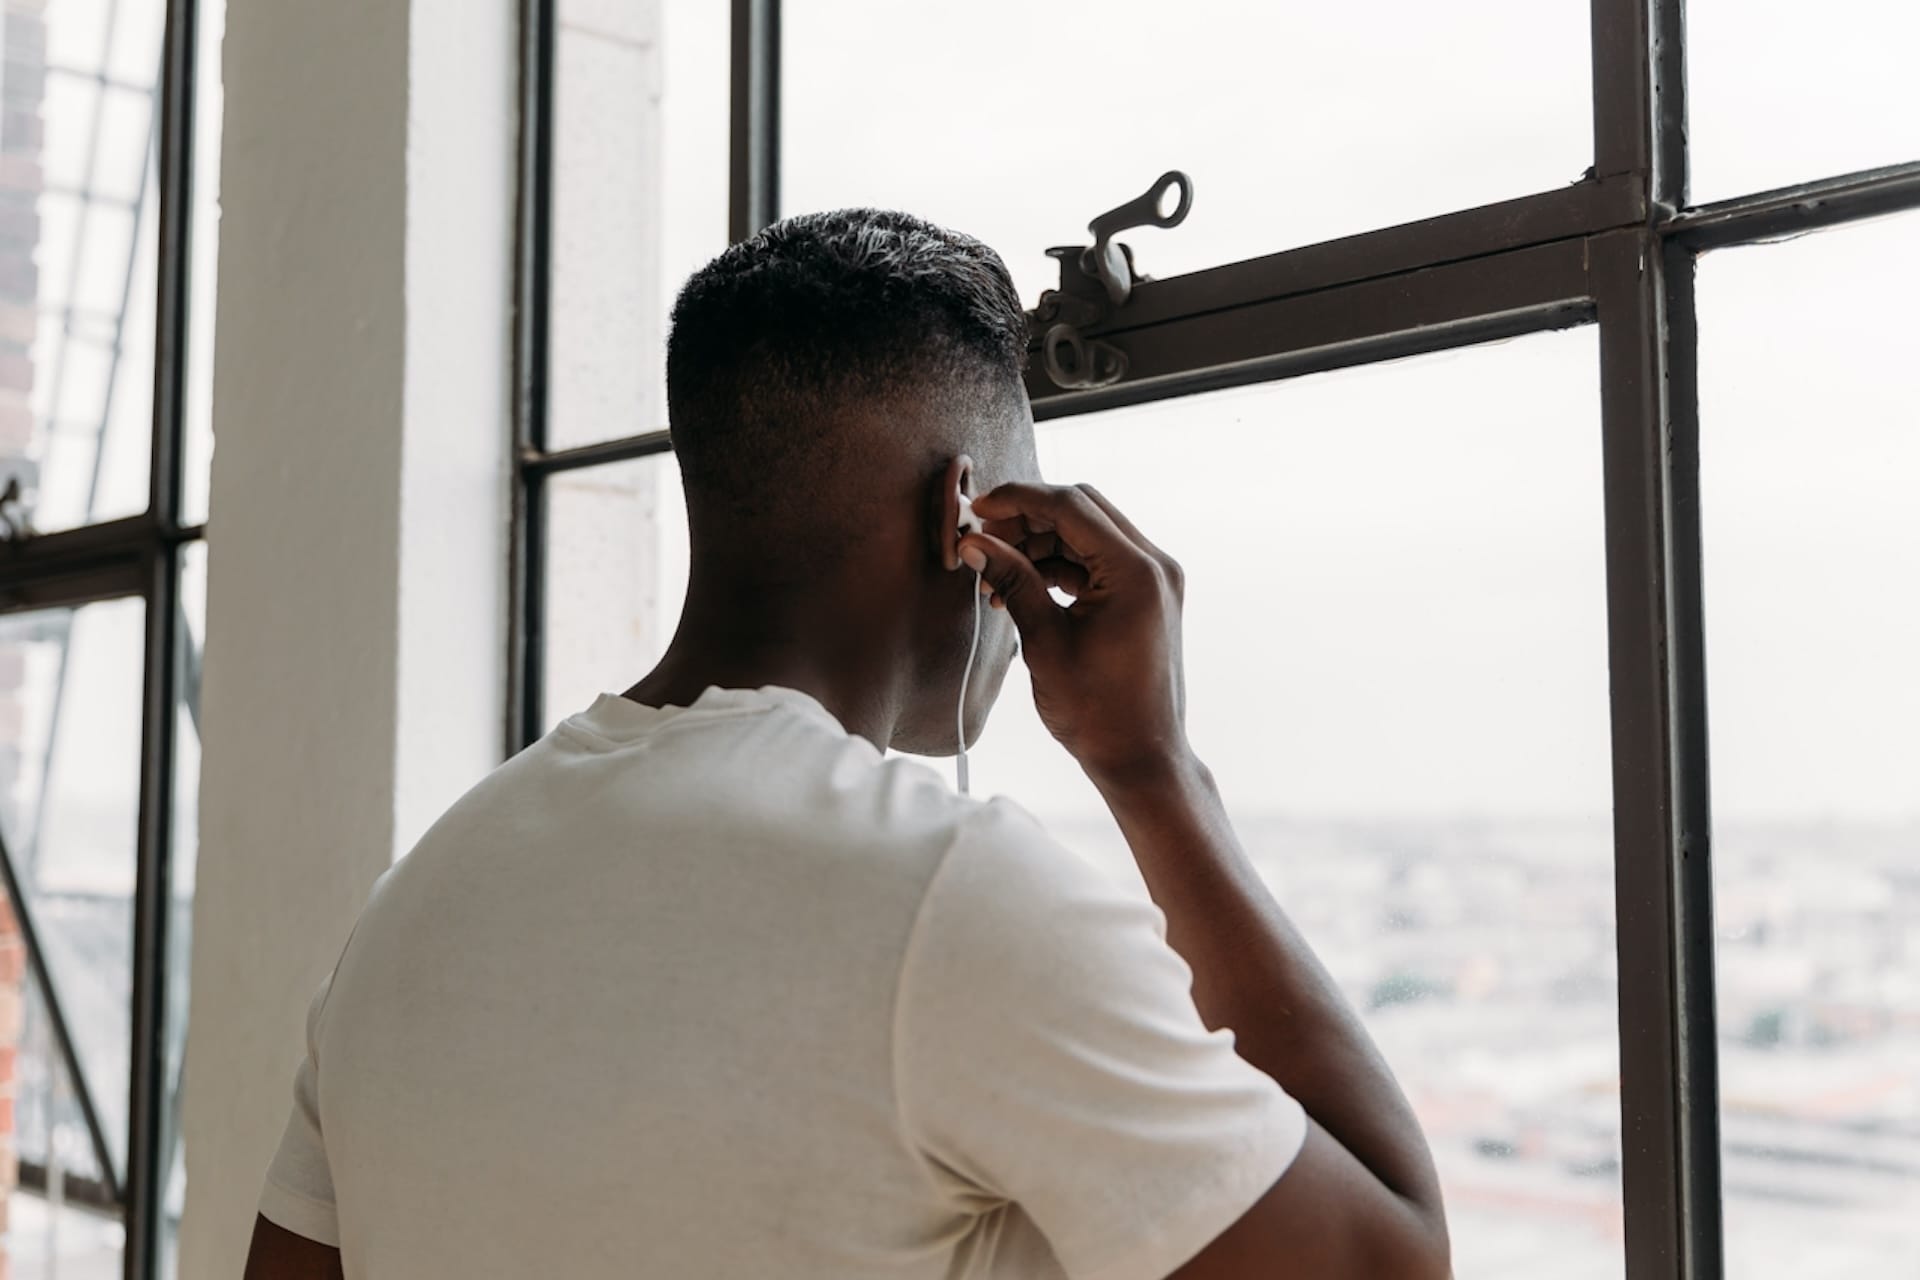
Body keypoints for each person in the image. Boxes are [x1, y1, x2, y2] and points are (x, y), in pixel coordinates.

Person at [242, 209, 1451, 1279]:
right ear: (968, 516)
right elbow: (1391, 1262)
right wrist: (1154, 770)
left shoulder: (418, 903)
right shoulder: (948, 895)